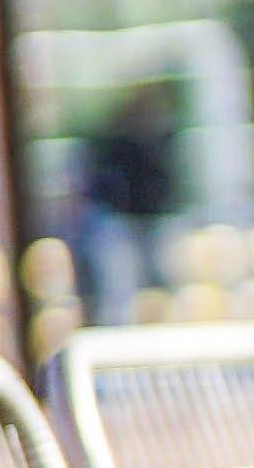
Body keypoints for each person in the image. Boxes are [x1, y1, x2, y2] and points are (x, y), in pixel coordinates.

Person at [73, 79, 185, 327]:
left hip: (154, 220)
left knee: (168, 282)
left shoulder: (162, 138)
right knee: (118, 291)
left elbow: (165, 185)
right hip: (120, 222)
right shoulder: (114, 141)